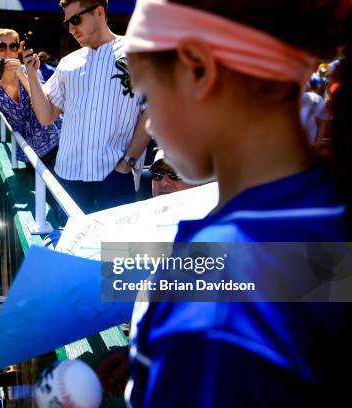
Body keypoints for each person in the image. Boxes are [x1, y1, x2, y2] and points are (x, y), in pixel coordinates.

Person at [123, 0, 351, 406]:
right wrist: (160, 362)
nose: (150, 122)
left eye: (145, 93)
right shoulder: (324, 209)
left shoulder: (210, 307)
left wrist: (178, 357)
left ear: (198, 70)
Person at [23, 0, 151, 213]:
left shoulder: (138, 53)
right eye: (67, 24)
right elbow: (46, 117)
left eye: (76, 19)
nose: (72, 29)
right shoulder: (68, 62)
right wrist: (33, 76)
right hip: (68, 175)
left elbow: (152, 112)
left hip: (114, 176)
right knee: (68, 246)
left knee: (115, 247)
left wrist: (127, 163)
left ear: (99, 12)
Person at [0, 28, 60, 171]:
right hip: (30, 151)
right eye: (1, 46)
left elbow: (45, 100)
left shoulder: (29, 69)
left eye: (13, 46)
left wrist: (22, 74)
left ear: (18, 49)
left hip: (57, 138)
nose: (7, 51)